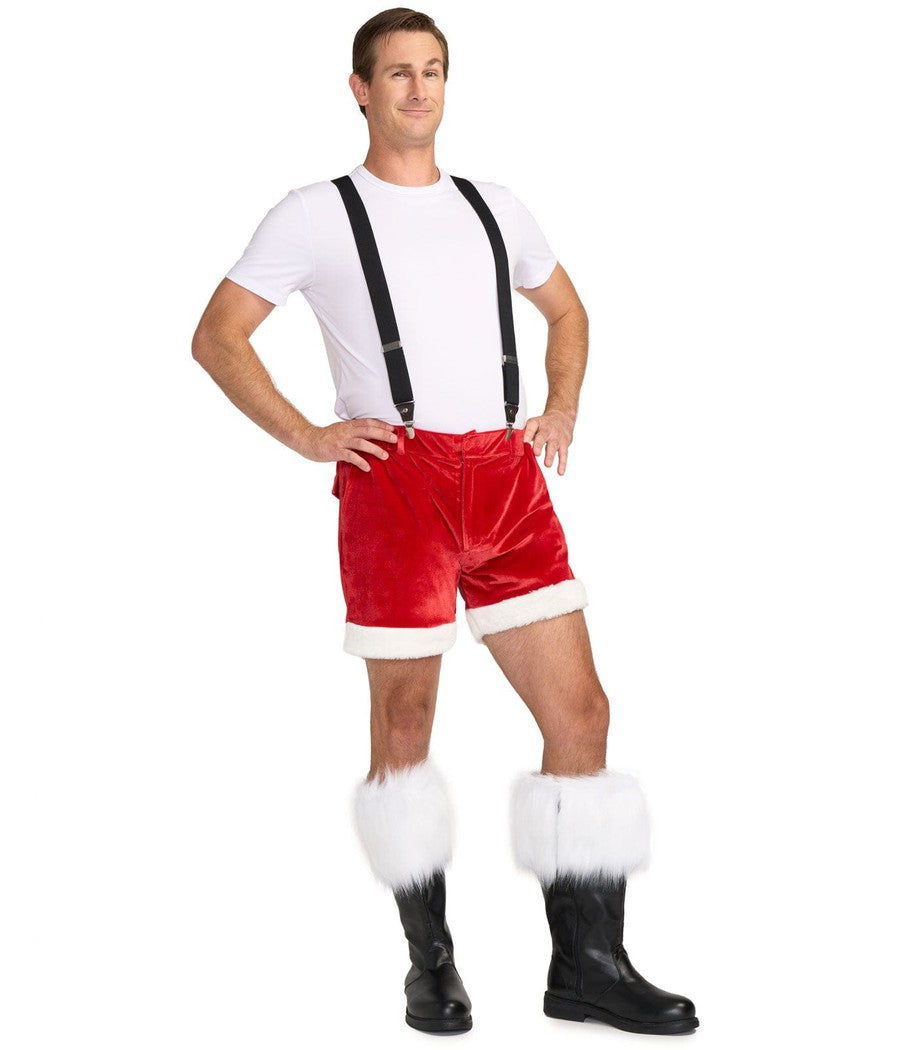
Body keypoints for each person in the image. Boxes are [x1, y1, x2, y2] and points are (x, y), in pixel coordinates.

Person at [191, 7, 698, 1038]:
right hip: (398, 485)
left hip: (507, 481)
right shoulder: (315, 215)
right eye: (398, 73)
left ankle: (589, 966)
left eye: (432, 71)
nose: (418, 89)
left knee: (581, 714)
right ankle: (431, 963)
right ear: (360, 90)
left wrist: (560, 407)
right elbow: (218, 337)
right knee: (406, 726)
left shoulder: (492, 205)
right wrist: (309, 435)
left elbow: (568, 310)